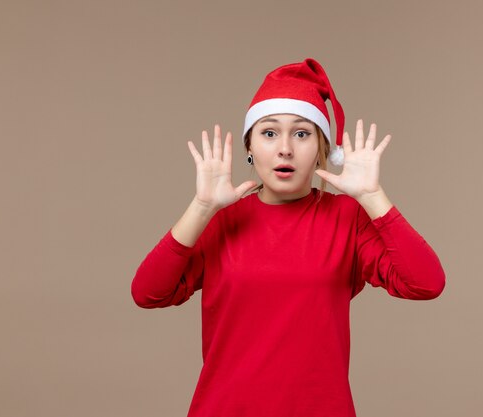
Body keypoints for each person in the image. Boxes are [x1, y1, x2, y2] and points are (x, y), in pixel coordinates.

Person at [131, 58, 446, 417]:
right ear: (249, 148)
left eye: (301, 133)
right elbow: (147, 292)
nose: (285, 148)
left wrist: (372, 197)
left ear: (322, 150)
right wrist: (202, 206)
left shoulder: (347, 218)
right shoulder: (222, 222)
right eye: (269, 133)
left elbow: (426, 283)